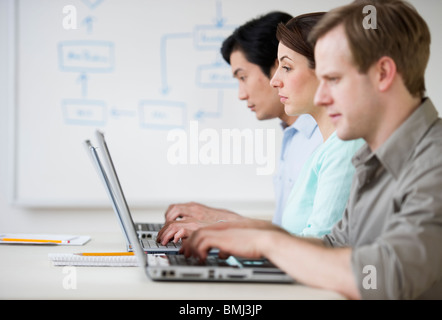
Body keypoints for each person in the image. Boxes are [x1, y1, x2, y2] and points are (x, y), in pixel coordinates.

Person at [181, 0, 442, 300]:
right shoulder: (371, 160)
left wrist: (269, 244)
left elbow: (386, 276)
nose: (321, 95)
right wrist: (247, 235)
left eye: (332, 79)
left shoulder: (434, 163)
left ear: (383, 73)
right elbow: (333, 245)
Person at [158, 12, 364, 244]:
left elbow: (320, 246)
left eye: (286, 67)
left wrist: (225, 229)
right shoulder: (318, 146)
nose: (275, 81)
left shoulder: (341, 145)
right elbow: (291, 231)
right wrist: (222, 224)